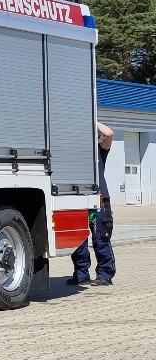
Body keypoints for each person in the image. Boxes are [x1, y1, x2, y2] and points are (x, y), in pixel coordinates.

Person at [69, 121, 116, 286]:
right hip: (77, 199)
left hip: (99, 200)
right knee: (78, 240)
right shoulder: (73, 152)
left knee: (100, 238)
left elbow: (109, 133)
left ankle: (105, 274)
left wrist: (89, 118)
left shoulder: (100, 149)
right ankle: (81, 274)